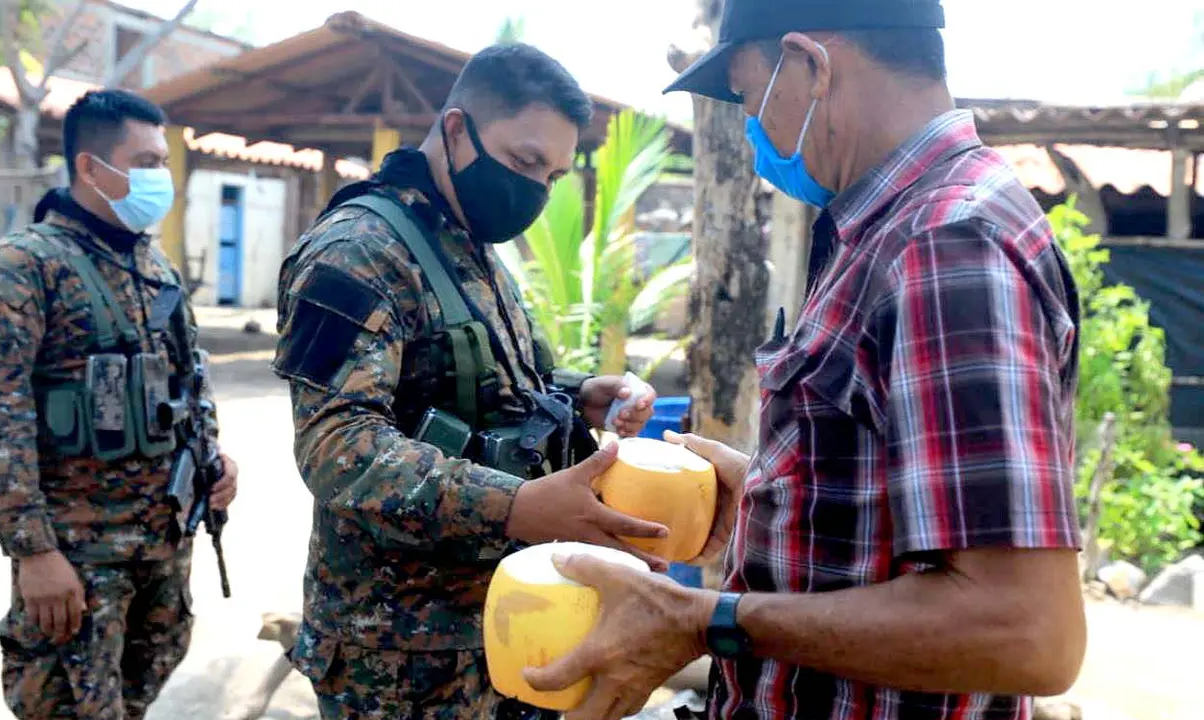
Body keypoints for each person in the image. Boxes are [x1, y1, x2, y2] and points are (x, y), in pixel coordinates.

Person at [521, 1, 1089, 719]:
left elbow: (1025, 632)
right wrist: (773, 498)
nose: (753, 129)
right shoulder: (885, 228)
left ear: (811, 66)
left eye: (749, 96)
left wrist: (707, 619)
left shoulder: (945, 245)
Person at [271, 43, 665, 719]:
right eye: (524, 162)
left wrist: (577, 395)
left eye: (554, 175)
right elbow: (337, 446)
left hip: (500, 621)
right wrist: (514, 503)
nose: (537, 191)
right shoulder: (358, 250)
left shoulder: (468, 244)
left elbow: (480, 384)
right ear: (456, 130)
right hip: (397, 653)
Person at [0, 89, 239, 720]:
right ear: (89, 167)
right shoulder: (19, 270)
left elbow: (188, 380)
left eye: (163, 161)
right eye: (145, 161)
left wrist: (212, 459)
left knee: (142, 684)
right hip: (77, 558)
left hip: (162, 545)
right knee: (65, 704)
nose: (160, 177)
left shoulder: (154, 268)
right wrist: (33, 550)